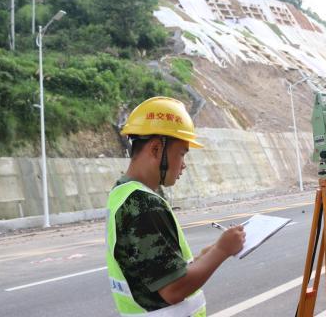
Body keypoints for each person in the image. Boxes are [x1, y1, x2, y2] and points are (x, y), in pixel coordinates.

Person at [105, 96, 245, 316]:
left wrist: (205, 256)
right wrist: (222, 250)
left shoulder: (123, 193)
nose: (184, 165)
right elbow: (173, 289)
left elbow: (155, 268)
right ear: (155, 149)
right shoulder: (143, 204)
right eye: (181, 153)